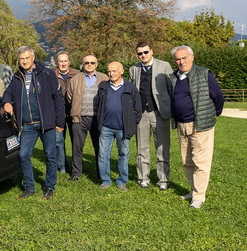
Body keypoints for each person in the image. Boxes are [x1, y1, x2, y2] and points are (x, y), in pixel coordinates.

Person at [2, 46, 64, 200]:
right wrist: (7, 103)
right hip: (28, 125)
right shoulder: (17, 77)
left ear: (33, 58)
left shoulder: (47, 73)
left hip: (47, 124)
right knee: (23, 155)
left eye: (27, 58)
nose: (24, 61)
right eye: (21, 59)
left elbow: (58, 97)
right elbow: (7, 93)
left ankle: (50, 187)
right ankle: (29, 187)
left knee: (50, 155)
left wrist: (60, 122)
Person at [171, 45, 224, 209]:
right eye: (178, 59)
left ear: (192, 57)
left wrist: (214, 114)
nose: (181, 62)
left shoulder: (204, 73)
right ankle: (193, 190)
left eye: (184, 58)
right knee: (187, 161)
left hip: (200, 125)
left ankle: (199, 197)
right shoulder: (174, 77)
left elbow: (218, 97)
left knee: (200, 161)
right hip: (182, 124)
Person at [129, 42, 174, 190]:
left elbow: (172, 88)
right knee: (142, 148)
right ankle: (143, 178)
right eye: (140, 53)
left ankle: (163, 180)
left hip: (160, 113)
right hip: (141, 114)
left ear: (152, 51)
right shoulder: (133, 69)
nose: (143, 55)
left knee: (162, 148)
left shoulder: (165, 66)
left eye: (145, 52)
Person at [96, 62, 142, 191]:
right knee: (103, 154)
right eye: (109, 71)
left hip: (123, 128)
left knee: (123, 154)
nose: (111, 73)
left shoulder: (130, 87)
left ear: (121, 71)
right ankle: (105, 180)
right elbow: (98, 105)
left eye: (114, 71)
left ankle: (122, 181)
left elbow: (138, 109)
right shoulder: (103, 87)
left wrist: (132, 124)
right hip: (106, 127)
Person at [67, 55, 109, 181]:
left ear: (96, 64)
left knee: (100, 147)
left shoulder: (104, 78)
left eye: (92, 62)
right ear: (83, 64)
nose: (89, 64)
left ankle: (101, 174)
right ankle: (76, 173)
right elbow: (69, 97)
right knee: (77, 147)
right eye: (86, 63)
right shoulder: (75, 79)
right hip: (79, 119)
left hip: (98, 119)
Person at [53, 51, 79, 175]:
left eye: (65, 61)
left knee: (76, 140)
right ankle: (62, 166)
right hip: (58, 113)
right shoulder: (51, 75)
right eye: (60, 61)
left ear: (69, 62)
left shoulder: (78, 75)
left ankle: (76, 166)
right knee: (58, 141)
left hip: (74, 112)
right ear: (57, 63)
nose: (63, 63)